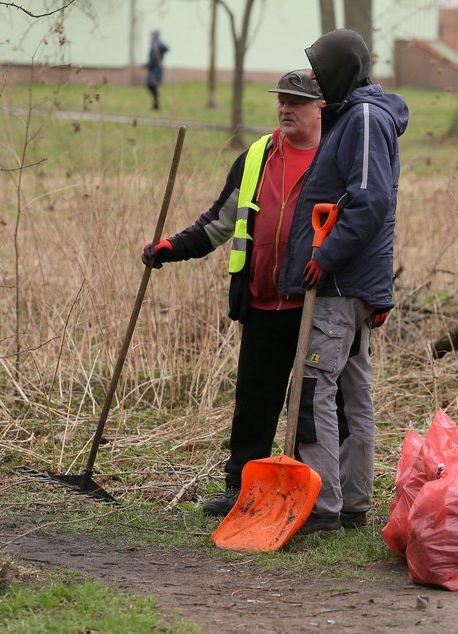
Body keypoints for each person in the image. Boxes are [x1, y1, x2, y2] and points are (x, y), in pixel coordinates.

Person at [140, 69, 324, 516]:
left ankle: (312, 494)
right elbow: (219, 222)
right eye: (281, 100)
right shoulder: (257, 156)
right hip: (261, 301)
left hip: (313, 307)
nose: (285, 108)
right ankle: (241, 487)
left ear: (322, 107)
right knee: (253, 403)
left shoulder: (333, 157)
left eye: (296, 102)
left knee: (313, 408)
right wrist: (172, 247)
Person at [277, 29, 408, 535]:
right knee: (354, 390)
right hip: (350, 281)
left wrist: (326, 257)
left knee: (315, 389)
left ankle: (324, 505)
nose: (312, 75)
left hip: (340, 283)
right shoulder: (353, 115)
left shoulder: (367, 118)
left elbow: (370, 198)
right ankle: (351, 501)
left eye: (318, 66)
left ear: (342, 68)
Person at [145, 30, 168, 110]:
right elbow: (152, 59)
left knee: (153, 86)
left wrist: (158, 44)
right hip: (151, 70)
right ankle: (155, 104)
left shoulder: (159, 46)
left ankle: (156, 105)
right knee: (150, 86)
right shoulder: (152, 47)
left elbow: (166, 48)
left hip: (156, 71)